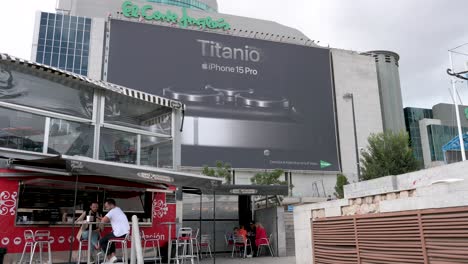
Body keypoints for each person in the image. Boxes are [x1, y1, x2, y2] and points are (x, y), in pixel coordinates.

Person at [99, 199, 130, 263]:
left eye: (107, 206)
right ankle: (113, 256)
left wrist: (101, 218)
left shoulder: (112, 211)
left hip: (119, 234)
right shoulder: (119, 209)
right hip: (125, 234)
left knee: (101, 241)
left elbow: (103, 221)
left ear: (111, 205)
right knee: (111, 237)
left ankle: (109, 257)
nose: (106, 208)